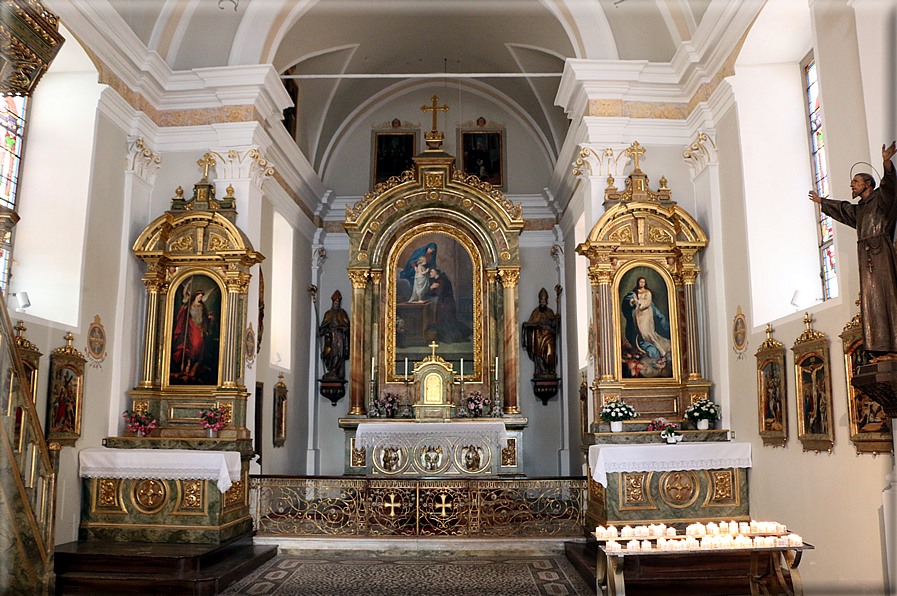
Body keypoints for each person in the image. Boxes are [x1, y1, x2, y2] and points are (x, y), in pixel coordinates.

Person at [809, 141, 897, 360]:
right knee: (871, 300)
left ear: (868, 183)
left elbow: (890, 187)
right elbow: (842, 209)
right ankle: (879, 348)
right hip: (865, 256)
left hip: (882, 253)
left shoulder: (881, 200)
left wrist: (887, 163)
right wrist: (822, 202)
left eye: (856, 182)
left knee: (887, 297)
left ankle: (893, 347)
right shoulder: (859, 210)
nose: (852, 186)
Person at [171, 281, 216, 383]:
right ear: (196, 296)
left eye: (201, 297)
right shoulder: (189, 305)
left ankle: (193, 364)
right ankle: (188, 364)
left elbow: (204, 316)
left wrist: (208, 317)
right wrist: (188, 283)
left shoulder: (202, 306)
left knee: (199, 346)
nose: (200, 298)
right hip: (191, 327)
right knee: (193, 346)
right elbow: (184, 294)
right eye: (199, 296)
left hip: (199, 328)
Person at [622, 277, 671, 360]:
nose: (641, 283)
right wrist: (633, 301)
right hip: (638, 314)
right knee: (641, 332)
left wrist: (639, 302)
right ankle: (651, 348)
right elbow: (632, 302)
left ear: (645, 283)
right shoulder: (635, 292)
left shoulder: (648, 292)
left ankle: (661, 350)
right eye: (640, 282)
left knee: (647, 333)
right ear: (638, 282)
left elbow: (648, 302)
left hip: (646, 314)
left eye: (643, 282)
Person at [522, 288, 560, 377]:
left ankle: (550, 370)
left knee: (550, 353)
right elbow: (532, 322)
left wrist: (557, 319)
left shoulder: (550, 312)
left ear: (546, 302)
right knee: (539, 355)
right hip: (538, 338)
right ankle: (541, 371)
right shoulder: (536, 312)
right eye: (541, 301)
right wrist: (528, 324)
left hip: (549, 337)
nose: (542, 303)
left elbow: (554, 323)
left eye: (544, 301)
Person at [426, 267, 471, 343]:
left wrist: (433, 288)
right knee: (442, 320)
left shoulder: (443, 280)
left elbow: (440, 293)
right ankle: (444, 337)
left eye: (431, 272)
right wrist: (431, 288)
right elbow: (432, 294)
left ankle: (450, 338)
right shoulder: (438, 280)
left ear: (436, 272)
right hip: (442, 303)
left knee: (447, 320)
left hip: (447, 304)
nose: (430, 273)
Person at [320, 290, 350, 380]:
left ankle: (336, 372)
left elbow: (348, 326)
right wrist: (323, 330)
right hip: (330, 338)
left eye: (338, 302)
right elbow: (323, 326)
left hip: (340, 337)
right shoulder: (328, 314)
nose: (336, 304)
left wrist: (344, 329)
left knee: (338, 354)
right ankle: (331, 370)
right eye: (335, 302)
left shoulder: (342, 313)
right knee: (330, 354)